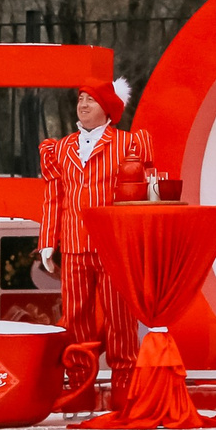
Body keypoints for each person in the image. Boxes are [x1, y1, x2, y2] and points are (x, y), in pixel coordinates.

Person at [37, 77, 154, 410]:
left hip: (113, 244)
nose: (83, 105)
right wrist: (48, 241)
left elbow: (144, 194)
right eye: (80, 99)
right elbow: (52, 197)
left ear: (108, 108)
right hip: (74, 245)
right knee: (76, 320)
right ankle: (79, 389)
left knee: (120, 320)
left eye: (91, 99)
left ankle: (124, 391)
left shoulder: (129, 144)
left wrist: (139, 239)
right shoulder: (60, 148)